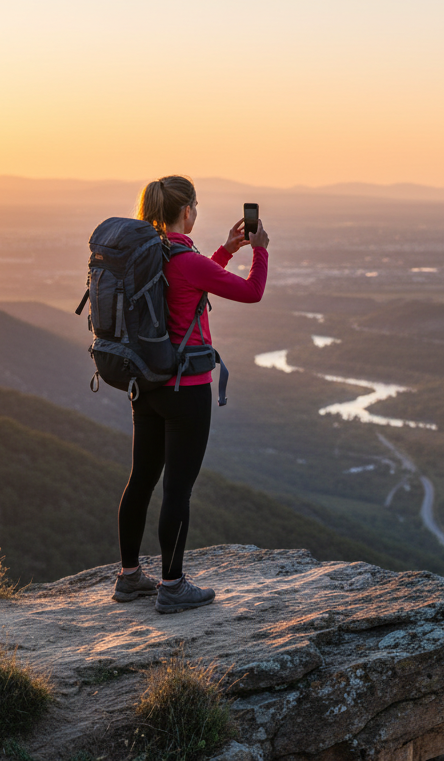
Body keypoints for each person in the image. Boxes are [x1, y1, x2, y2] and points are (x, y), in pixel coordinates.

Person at [111, 175, 269, 613]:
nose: (197, 211)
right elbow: (251, 292)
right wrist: (260, 250)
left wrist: (226, 250)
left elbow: (190, 281)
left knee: (141, 478)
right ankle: (173, 585)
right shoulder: (186, 259)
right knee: (177, 489)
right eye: (195, 205)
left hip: (146, 385)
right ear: (186, 211)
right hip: (187, 389)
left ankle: (129, 578)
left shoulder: (146, 255)